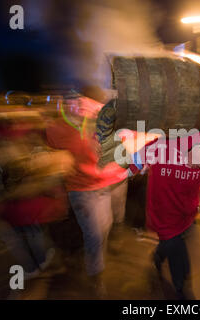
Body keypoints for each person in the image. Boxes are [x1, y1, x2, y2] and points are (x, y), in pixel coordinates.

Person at [125, 125, 200, 299]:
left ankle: (157, 259)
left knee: (169, 250)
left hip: (188, 214)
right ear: (197, 143)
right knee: (182, 270)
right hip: (163, 218)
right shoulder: (163, 147)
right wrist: (126, 170)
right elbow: (132, 163)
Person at [46, 91, 128, 298]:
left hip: (105, 185)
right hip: (81, 189)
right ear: (64, 104)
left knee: (104, 228)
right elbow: (53, 160)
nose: (80, 105)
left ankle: (91, 259)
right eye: (73, 100)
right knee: (94, 234)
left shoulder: (100, 120)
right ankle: (95, 277)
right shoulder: (55, 129)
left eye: (83, 99)